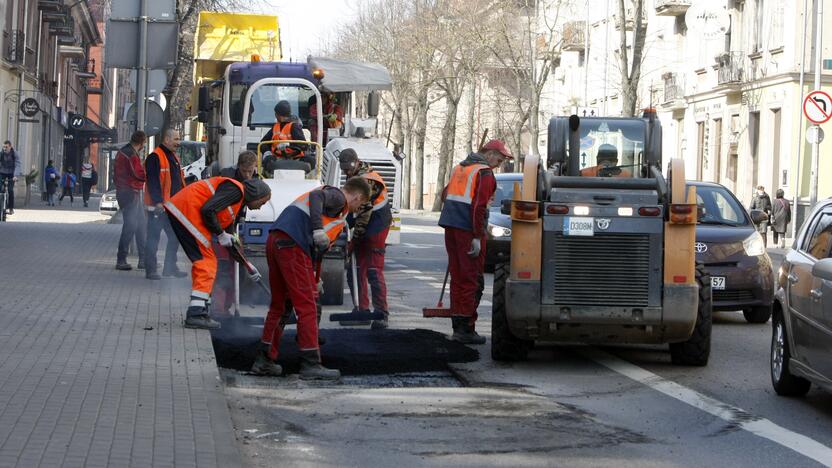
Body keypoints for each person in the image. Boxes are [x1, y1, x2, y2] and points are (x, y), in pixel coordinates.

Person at [253, 177, 371, 379]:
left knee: (280, 306)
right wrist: (317, 230)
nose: (358, 209)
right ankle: (310, 364)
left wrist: (315, 279)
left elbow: (317, 250)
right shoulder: (338, 197)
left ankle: (264, 360)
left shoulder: (333, 211)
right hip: (292, 245)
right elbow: (317, 196)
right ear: (358, 196)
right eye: (360, 204)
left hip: (277, 240)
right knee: (307, 305)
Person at [165, 176, 272, 329]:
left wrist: (247, 264)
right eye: (262, 202)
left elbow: (230, 240)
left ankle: (201, 310)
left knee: (207, 261)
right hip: (188, 210)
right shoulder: (236, 191)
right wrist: (221, 234)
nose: (261, 207)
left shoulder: (236, 204)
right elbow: (208, 210)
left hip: (185, 210)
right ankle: (195, 314)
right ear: (256, 194)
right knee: (206, 263)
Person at [438, 139, 512, 344]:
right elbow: (479, 207)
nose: (500, 163)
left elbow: (445, 195)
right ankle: (465, 329)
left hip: (451, 227)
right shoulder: (484, 173)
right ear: (488, 153)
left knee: (459, 277)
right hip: (467, 230)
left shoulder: (460, 168)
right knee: (472, 280)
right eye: (499, 158)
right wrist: (478, 236)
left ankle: (458, 326)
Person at [339, 148, 393, 330]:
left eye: (348, 168)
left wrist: (354, 239)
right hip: (365, 223)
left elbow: (363, 214)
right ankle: (362, 309)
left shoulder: (369, 180)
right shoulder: (353, 176)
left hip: (377, 225)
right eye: (344, 169)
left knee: (372, 269)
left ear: (356, 162)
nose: (346, 172)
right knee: (355, 268)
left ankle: (381, 313)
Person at [212, 151, 260, 315]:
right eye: (244, 171)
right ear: (238, 166)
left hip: (235, 225)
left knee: (236, 268)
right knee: (222, 268)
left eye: (250, 171)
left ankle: (228, 305)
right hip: (219, 225)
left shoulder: (255, 179)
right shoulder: (227, 177)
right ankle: (218, 308)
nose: (247, 175)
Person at [144, 129, 187, 280]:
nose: (178, 142)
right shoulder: (155, 157)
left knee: (175, 237)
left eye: (179, 138)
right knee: (153, 239)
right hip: (159, 208)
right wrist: (158, 202)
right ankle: (150, 269)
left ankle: (169, 267)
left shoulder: (172, 156)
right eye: (176, 139)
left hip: (171, 207)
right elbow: (153, 181)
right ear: (167, 139)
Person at [114, 131, 148, 271]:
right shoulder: (131, 155)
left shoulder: (124, 152)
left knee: (140, 226)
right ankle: (121, 260)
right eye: (144, 143)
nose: (144, 146)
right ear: (141, 142)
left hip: (126, 192)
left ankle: (143, 259)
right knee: (131, 226)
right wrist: (149, 172)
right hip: (130, 193)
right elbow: (139, 174)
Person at [261, 100, 315, 174]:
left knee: (311, 160)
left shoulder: (294, 127)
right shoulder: (275, 127)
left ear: (277, 114)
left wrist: (289, 144)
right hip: (277, 158)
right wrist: (267, 152)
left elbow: (303, 145)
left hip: (295, 158)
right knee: (267, 160)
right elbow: (263, 143)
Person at [0, 141, 20, 215]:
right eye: (4, 147)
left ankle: (11, 208)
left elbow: (18, 164)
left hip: (11, 173)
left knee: (10, 190)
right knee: (0, 189)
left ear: (10, 147)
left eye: (6, 147)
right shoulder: (1, 153)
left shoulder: (14, 154)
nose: (5, 148)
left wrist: (15, 175)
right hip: (2, 172)